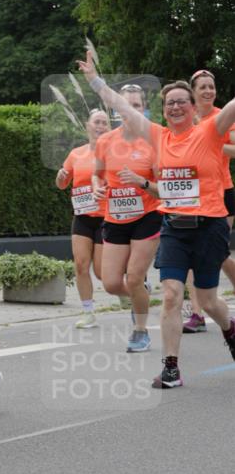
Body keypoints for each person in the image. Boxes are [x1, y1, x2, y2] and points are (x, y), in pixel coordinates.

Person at [78, 52, 235, 388]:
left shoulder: (210, 131)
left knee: (208, 301)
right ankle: (171, 367)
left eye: (182, 102)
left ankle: (230, 327)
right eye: (170, 104)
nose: (176, 108)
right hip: (174, 228)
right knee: (171, 295)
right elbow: (121, 107)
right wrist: (94, 80)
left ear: (193, 107)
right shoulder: (158, 136)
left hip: (209, 227)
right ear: (163, 111)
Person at [91, 84, 161, 352]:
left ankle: (141, 331)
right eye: (125, 105)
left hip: (147, 215)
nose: (130, 110)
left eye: (136, 105)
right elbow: (98, 172)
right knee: (110, 284)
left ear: (144, 109)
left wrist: (142, 182)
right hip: (115, 216)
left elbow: (163, 190)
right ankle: (140, 292)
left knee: (132, 277)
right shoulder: (106, 141)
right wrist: (98, 185)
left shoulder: (154, 141)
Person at [181, 69, 235, 333]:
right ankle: (196, 314)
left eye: (211, 87)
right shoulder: (185, 117)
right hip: (190, 194)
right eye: (202, 87)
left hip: (221, 191)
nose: (208, 91)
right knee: (192, 253)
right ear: (193, 91)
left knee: (220, 254)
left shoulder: (222, 116)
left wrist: (210, 143)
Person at [56, 108, 110, 328]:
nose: (99, 127)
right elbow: (62, 184)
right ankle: (88, 312)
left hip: (106, 217)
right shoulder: (76, 154)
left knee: (101, 271)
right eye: (96, 122)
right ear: (88, 126)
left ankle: (131, 286)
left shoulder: (114, 153)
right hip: (82, 217)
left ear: (109, 128)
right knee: (80, 265)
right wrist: (60, 177)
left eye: (104, 123)